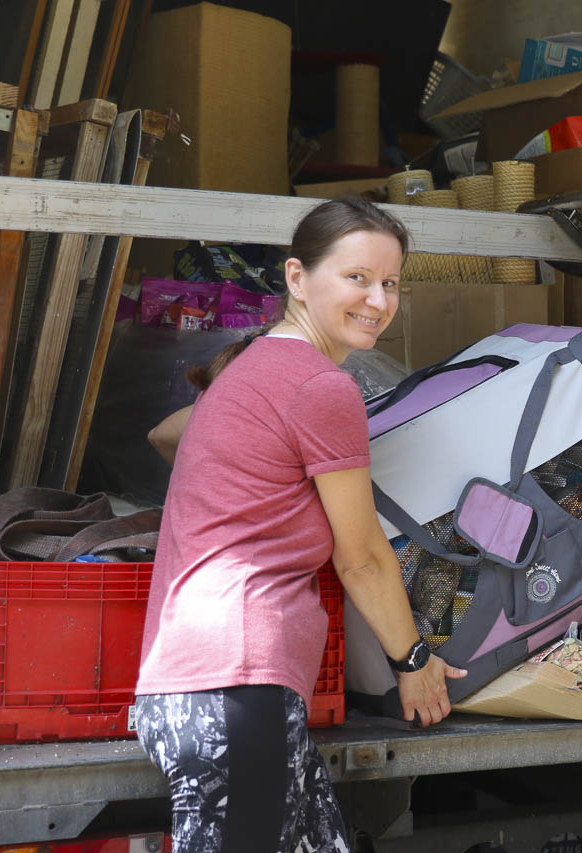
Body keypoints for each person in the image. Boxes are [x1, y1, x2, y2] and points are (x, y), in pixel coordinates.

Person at [135, 196, 466, 853]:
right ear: (295, 278)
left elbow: (168, 435)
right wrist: (414, 658)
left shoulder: (250, 365)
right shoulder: (322, 386)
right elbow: (362, 556)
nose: (377, 298)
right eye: (356, 277)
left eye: (390, 282)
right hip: (234, 684)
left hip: (199, 683)